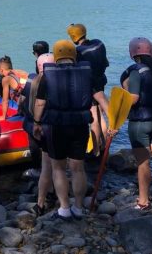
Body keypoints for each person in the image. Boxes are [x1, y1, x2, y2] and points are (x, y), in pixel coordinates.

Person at [33, 40, 93, 220]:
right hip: (80, 125)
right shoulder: (86, 74)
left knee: (58, 168)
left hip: (56, 126)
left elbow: (40, 102)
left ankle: (64, 208)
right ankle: (78, 207)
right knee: (78, 168)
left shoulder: (47, 76)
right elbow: (99, 97)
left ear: (56, 57)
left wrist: (36, 123)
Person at [121, 37, 152, 210]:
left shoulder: (136, 71)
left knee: (143, 162)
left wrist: (124, 92)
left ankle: (143, 200)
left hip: (140, 121)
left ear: (133, 52)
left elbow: (133, 99)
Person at [67, 24, 109, 156]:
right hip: (101, 80)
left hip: (89, 86)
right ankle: (105, 146)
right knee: (100, 116)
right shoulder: (99, 43)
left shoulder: (77, 51)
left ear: (73, 37)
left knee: (94, 119)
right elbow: (105, 63)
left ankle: (96, 151)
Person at [21, 53, 55, 216]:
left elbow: (23, 102)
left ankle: (42, 198)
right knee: (51, 164)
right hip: (49, 127)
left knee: (43, 162)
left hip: (34, 125)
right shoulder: (54, 82)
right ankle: (52, 192)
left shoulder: (31, 81)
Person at [21, 41, 50, 178]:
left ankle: (37, 168)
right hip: (51, 119)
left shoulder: (33, 79)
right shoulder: (56, 76)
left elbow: (30, 100)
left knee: (33, 141)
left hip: (37, 119)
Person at [0, 55, 23, 121]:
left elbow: (5, 100)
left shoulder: (6, 79)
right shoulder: (19, 72)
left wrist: (3, 116)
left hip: (27, 107)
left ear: (1, 70)